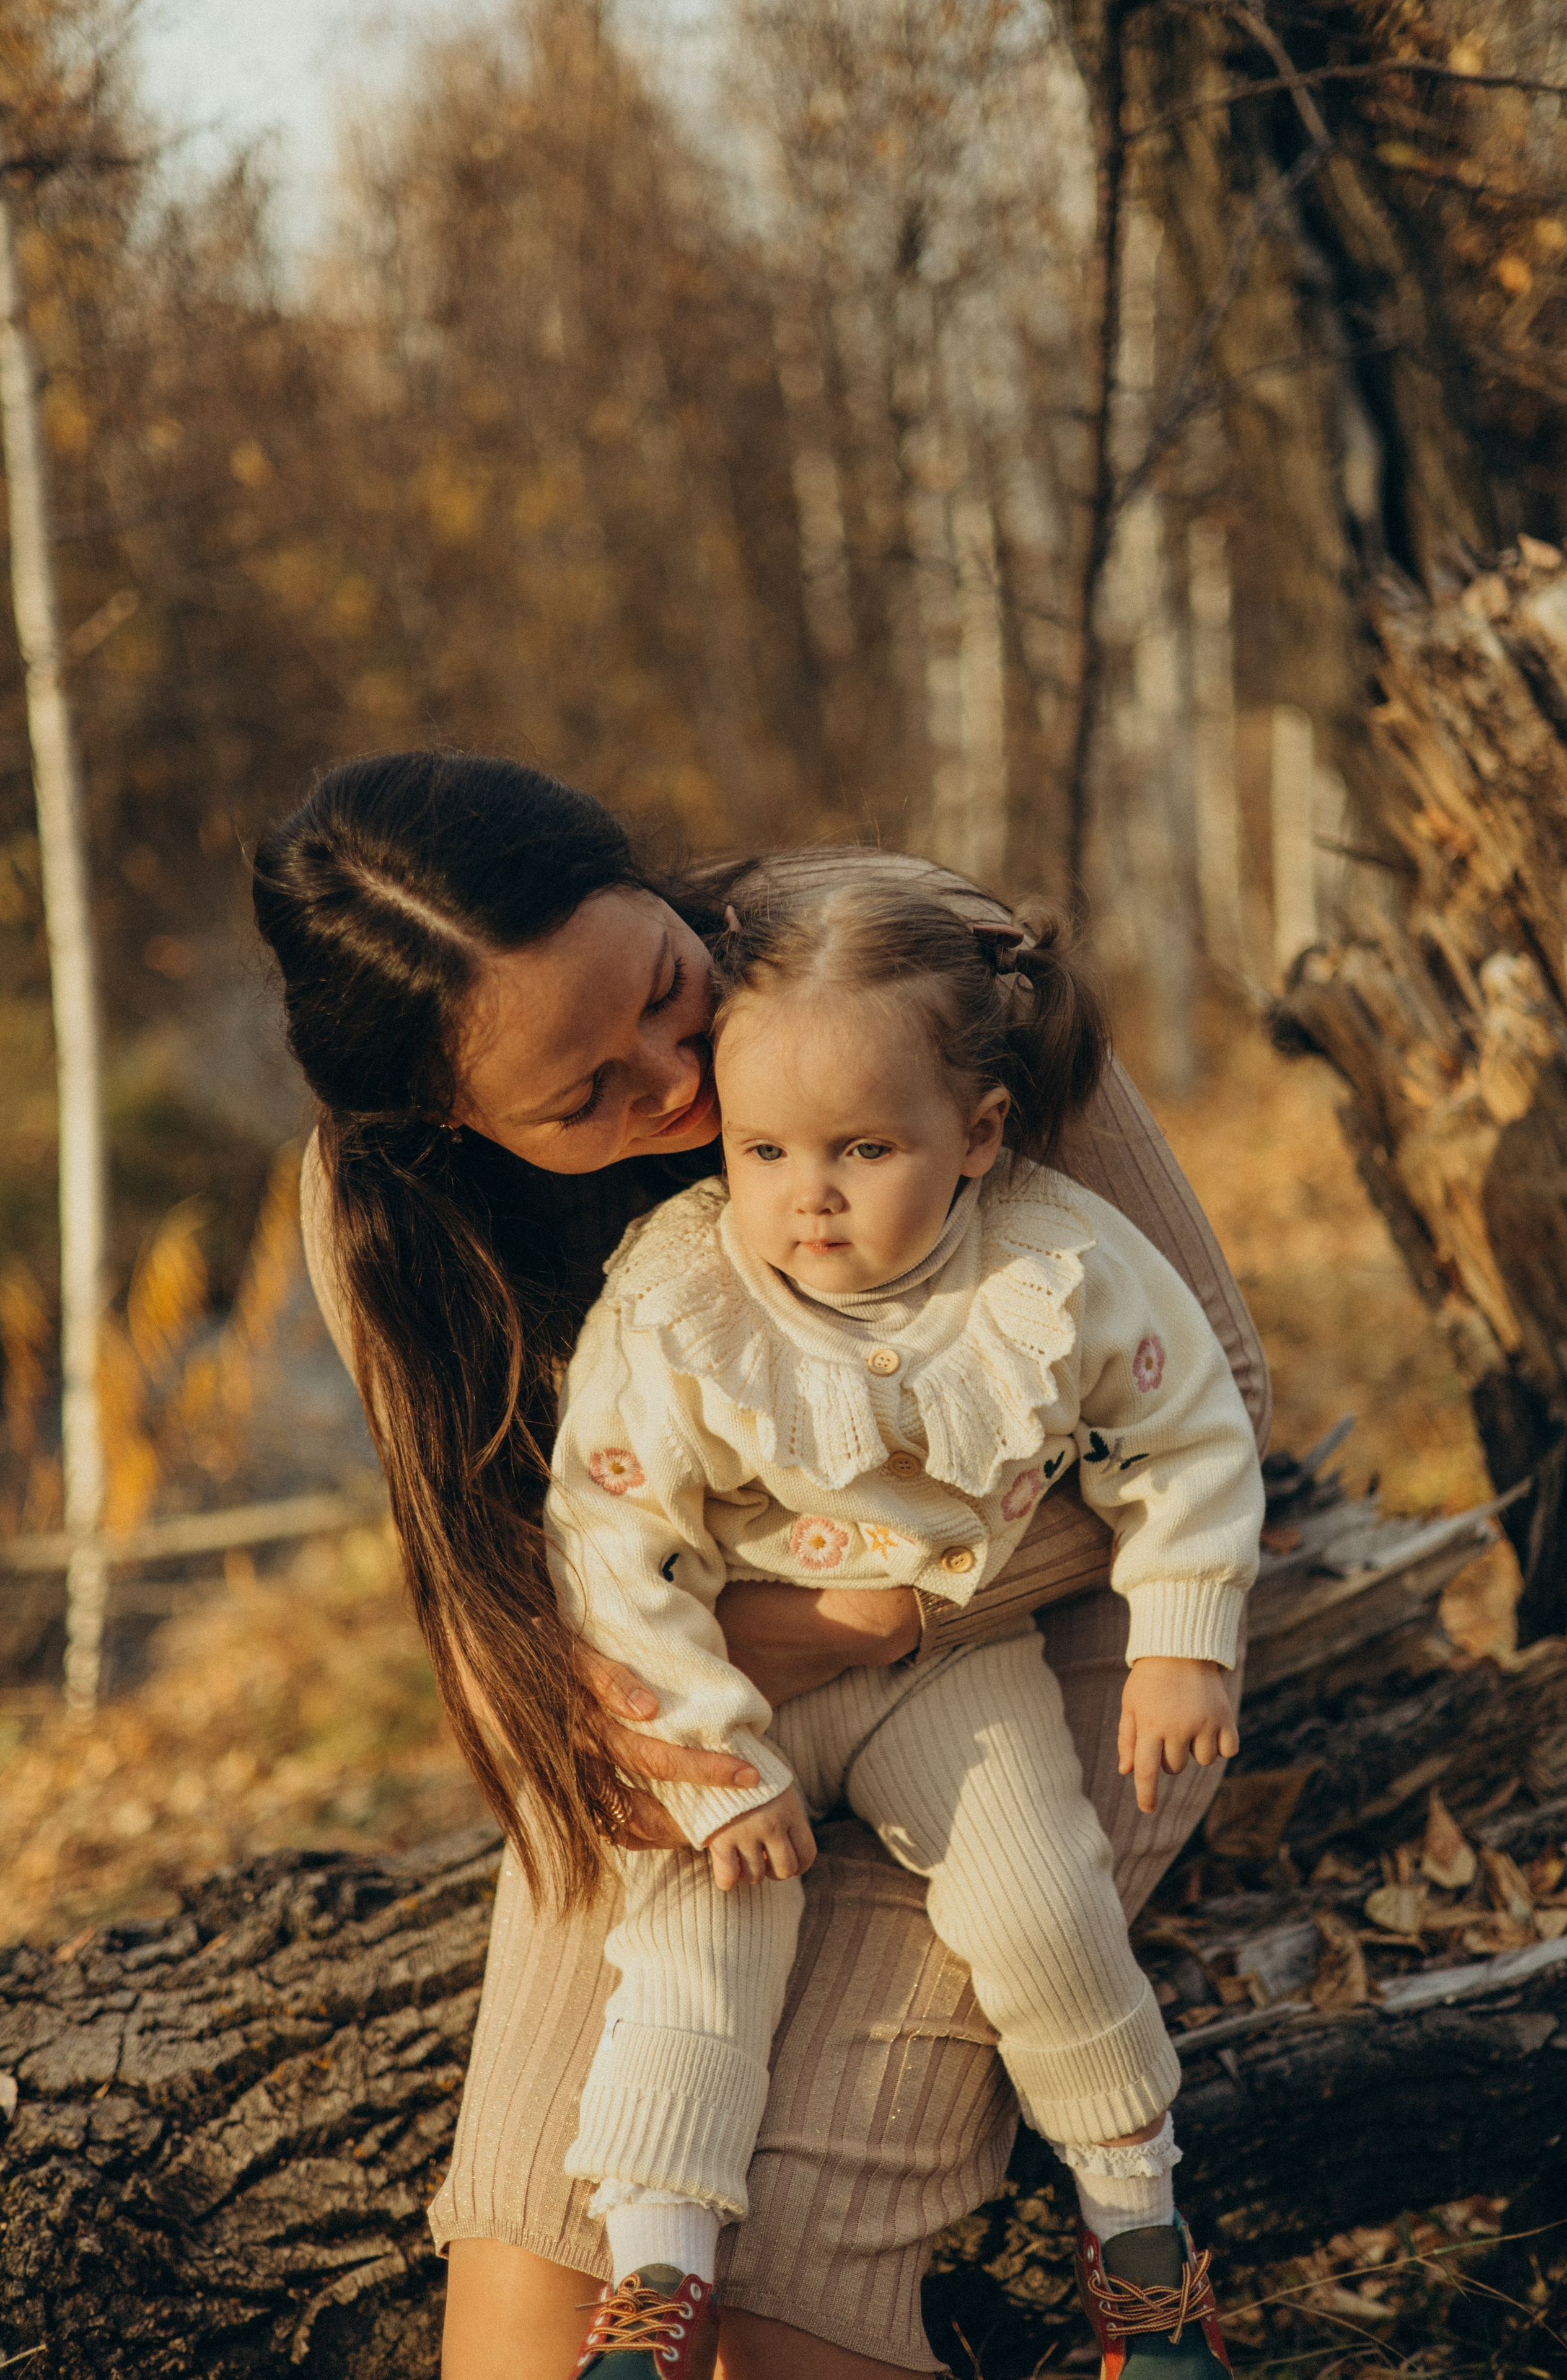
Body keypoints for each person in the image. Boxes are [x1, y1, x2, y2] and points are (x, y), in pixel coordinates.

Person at [252, 751, 1271, 2380]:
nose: (672, 1082)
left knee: (789, 2263)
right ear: (448, 1123)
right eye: (579, 1097)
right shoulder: (383, 1211)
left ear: (649, 876)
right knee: (542, 2241)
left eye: (666, 992)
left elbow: (1216, 1377)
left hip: (1049, 1638)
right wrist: (646, 1699)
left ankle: (1143, 2257)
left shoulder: (901, 963)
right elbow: (501, 1584)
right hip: (679, 1693)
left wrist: (862, 1609)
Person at [544, 878, 1258, 2378]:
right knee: (693, 1938)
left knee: (1038, 1907)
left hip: (948, 1665)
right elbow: (608, 1545)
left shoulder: (1049, 1262)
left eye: (864, 1150)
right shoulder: (678, 1296)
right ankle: (656, 2286)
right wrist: (706, 1756)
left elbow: (1186, 1431)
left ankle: (1139, 2237)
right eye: (765, 1151)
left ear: (977, 1135)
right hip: (733, 1685)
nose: (807, 1194)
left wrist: (1183, 1628)